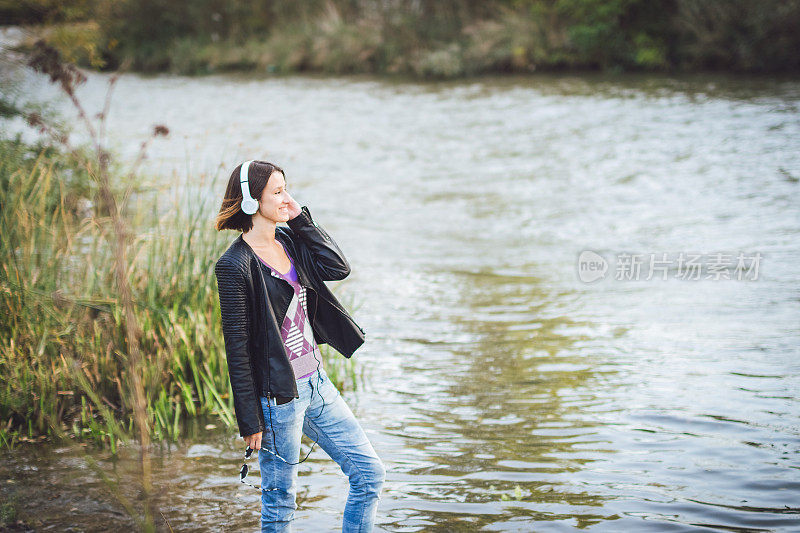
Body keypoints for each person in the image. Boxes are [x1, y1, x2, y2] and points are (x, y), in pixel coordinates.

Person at [213, 159, 385, 532]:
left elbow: (338, 268)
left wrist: (300, 220)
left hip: (317, 384)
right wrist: (249, 420)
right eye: (277, 192)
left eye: (286, 189)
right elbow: (237, 349)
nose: (286, 198)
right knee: (280, 502)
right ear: (249, 201)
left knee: (369, 475)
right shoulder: (234, 265)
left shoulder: (290, 241)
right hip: (278, 399)